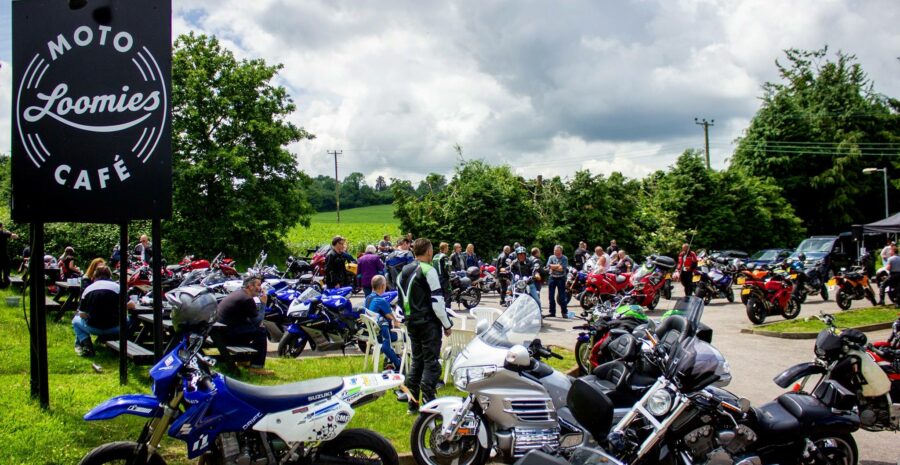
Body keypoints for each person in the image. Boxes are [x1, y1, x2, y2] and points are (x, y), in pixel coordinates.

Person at [398, 238, 452, 412]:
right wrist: (446, 324)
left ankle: (412, 404)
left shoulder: (403, 272)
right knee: (431, 362)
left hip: (411, 321)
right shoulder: (429, 270)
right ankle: (430, 403)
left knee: (417, 360)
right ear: (428, 251)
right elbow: (437, 301)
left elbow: (400, 301)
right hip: (428, 323)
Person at [72, 266, 135, 356]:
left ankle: (87, 344)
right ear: (110, 275)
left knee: (75, 321)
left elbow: (82, 313)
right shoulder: (117, 287)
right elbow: (132, 305)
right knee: (129, 319)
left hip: (93, 327)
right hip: (115, 327)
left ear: (95, 276)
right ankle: (123, 342)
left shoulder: (88, 289)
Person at [216, 275, 273, 375]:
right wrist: (263, 303)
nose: (261, 288)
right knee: (261, 331)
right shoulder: (246, 299)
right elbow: (258, 321)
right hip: (227, 336)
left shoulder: (238, 294)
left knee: (248, 327)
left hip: (219, 333)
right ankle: (256, 367)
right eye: (258, 285)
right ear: (250, 286)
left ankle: (242, 360)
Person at [365, 275, 402, 370]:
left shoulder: (368, 298)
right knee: (403, 336)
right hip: (381, 335)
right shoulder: (381, 300)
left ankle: (390, 361)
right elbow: (395, 320)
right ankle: (399, 364)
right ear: (382, 286)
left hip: (373, 334)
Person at [546, 245, 569, 318]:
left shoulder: (564, 258)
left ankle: (564, 312)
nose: (555, 252)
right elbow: (548, 266)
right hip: (552, 278)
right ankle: (552, 312)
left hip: (561, 278)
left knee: (562, 296)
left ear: (560, 251)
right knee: (551, 296)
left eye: (556, 251)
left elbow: (562, 269)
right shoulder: (551, 257)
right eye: (554, 250)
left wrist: (553, 267)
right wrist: (557, 266)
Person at [432, 242, 452, 307]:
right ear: (445, 248)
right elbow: (447, 266)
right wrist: (449, 275)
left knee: (440, 295)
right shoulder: (444, 256)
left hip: (436, 278)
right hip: (444, 278)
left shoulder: (435, 256)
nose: (448, 249)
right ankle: (448, 310)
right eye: (447, 247)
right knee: (448, 294)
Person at [0, 223, 19, 287]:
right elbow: (16, 237)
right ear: (1, 226)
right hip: (4, 255)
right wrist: (9, 232)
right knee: (6, 269)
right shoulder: (4, 233)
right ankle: (6, 283)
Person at [885, 244, 900, 308]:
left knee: (884, 285)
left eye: (891, 251)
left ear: (893, 252)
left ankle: (881, 300)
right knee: (898, 289)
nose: (889, 252)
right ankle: (897, 302)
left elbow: (888, 268)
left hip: (893, 275)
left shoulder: (890, 259)